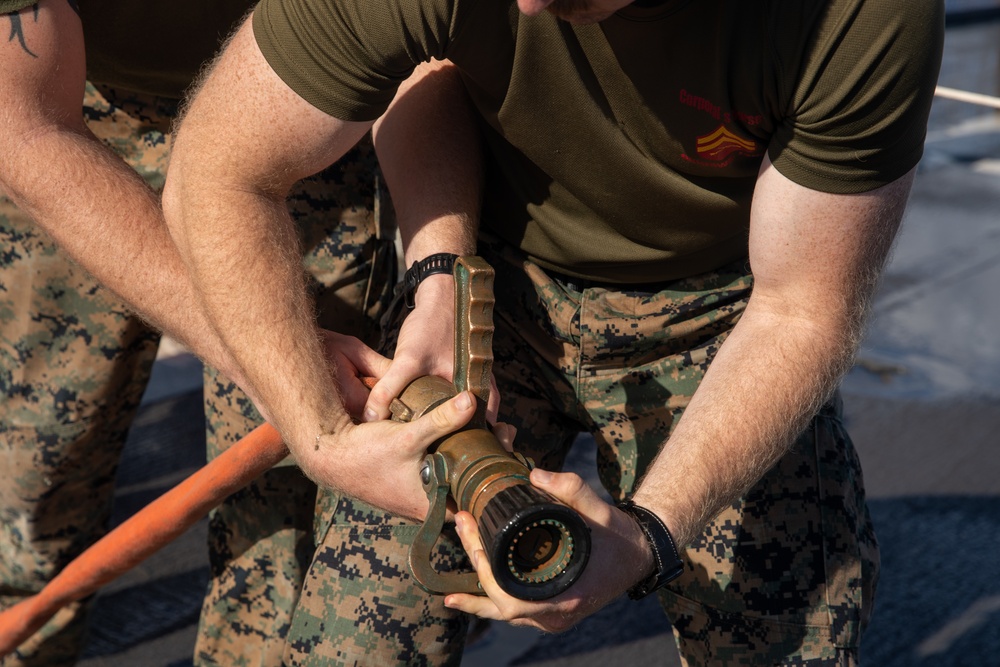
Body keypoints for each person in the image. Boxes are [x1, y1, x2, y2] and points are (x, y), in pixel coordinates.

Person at [162, 0, 945, 664]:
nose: (526, 6)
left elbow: (802, 309)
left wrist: (650, 535)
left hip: (719, 312)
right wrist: (326, 432)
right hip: (495, 277)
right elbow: (219, 168)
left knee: (782, 632)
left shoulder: (855, 14)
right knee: (353, 639)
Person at [0, 1, 401, 664]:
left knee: (291, 516)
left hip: (300, 113)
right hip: (76, 108)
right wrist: (260, 345)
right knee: (32, 482)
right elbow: (26, 127)